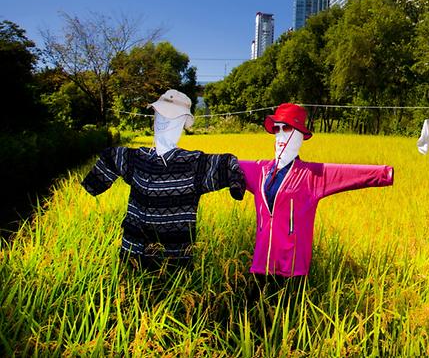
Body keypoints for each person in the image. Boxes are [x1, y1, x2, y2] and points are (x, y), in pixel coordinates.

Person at [81, 89, 245, 268]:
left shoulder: (194, 164)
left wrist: (236, 185)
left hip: (172, 262)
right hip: (132, 254)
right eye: (159, 115)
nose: (162, 121)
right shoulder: (135, 158)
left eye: (170, 117)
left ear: (183, 122)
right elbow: (110, 156)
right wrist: (93, 184)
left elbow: (228, 162)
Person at [238, 103, 393, 277]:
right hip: (261, 264)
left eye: (287, 128)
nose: (280, 136)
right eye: (277, 129)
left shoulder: (311, 175)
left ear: (300, 136)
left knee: (291, 303)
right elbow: (227, 164)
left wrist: (384, 174)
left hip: (292, 268)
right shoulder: (261, 170)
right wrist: (203, 160)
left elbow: (348, 174)